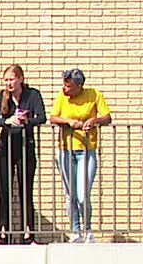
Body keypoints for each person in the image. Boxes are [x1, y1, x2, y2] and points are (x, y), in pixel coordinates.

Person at [48, 68, 112, 242]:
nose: (64, 88)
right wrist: (69, 122)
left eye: (68, 85)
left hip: (86, 150)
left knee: (83, 194)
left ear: (79, 86)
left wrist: (94, 120)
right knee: (71, 194)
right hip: (65, 151)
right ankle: (75, 231)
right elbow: (53, 118)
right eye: (64, 84)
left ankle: (88, 229)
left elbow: (107, 117)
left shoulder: (93, 94)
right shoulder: (62, 96)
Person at [0, 65, 47, 244]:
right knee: (3, 191)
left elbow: (42, 117)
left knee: (25, 190)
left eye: (12, 79)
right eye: (6, 80)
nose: (9, 83)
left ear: (20, 79)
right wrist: (6, 121)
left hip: (25, 147)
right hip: (5, 147)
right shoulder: (1, 96)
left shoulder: (33, 94)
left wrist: (26, 121)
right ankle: (2, 233)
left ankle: (28, 233)